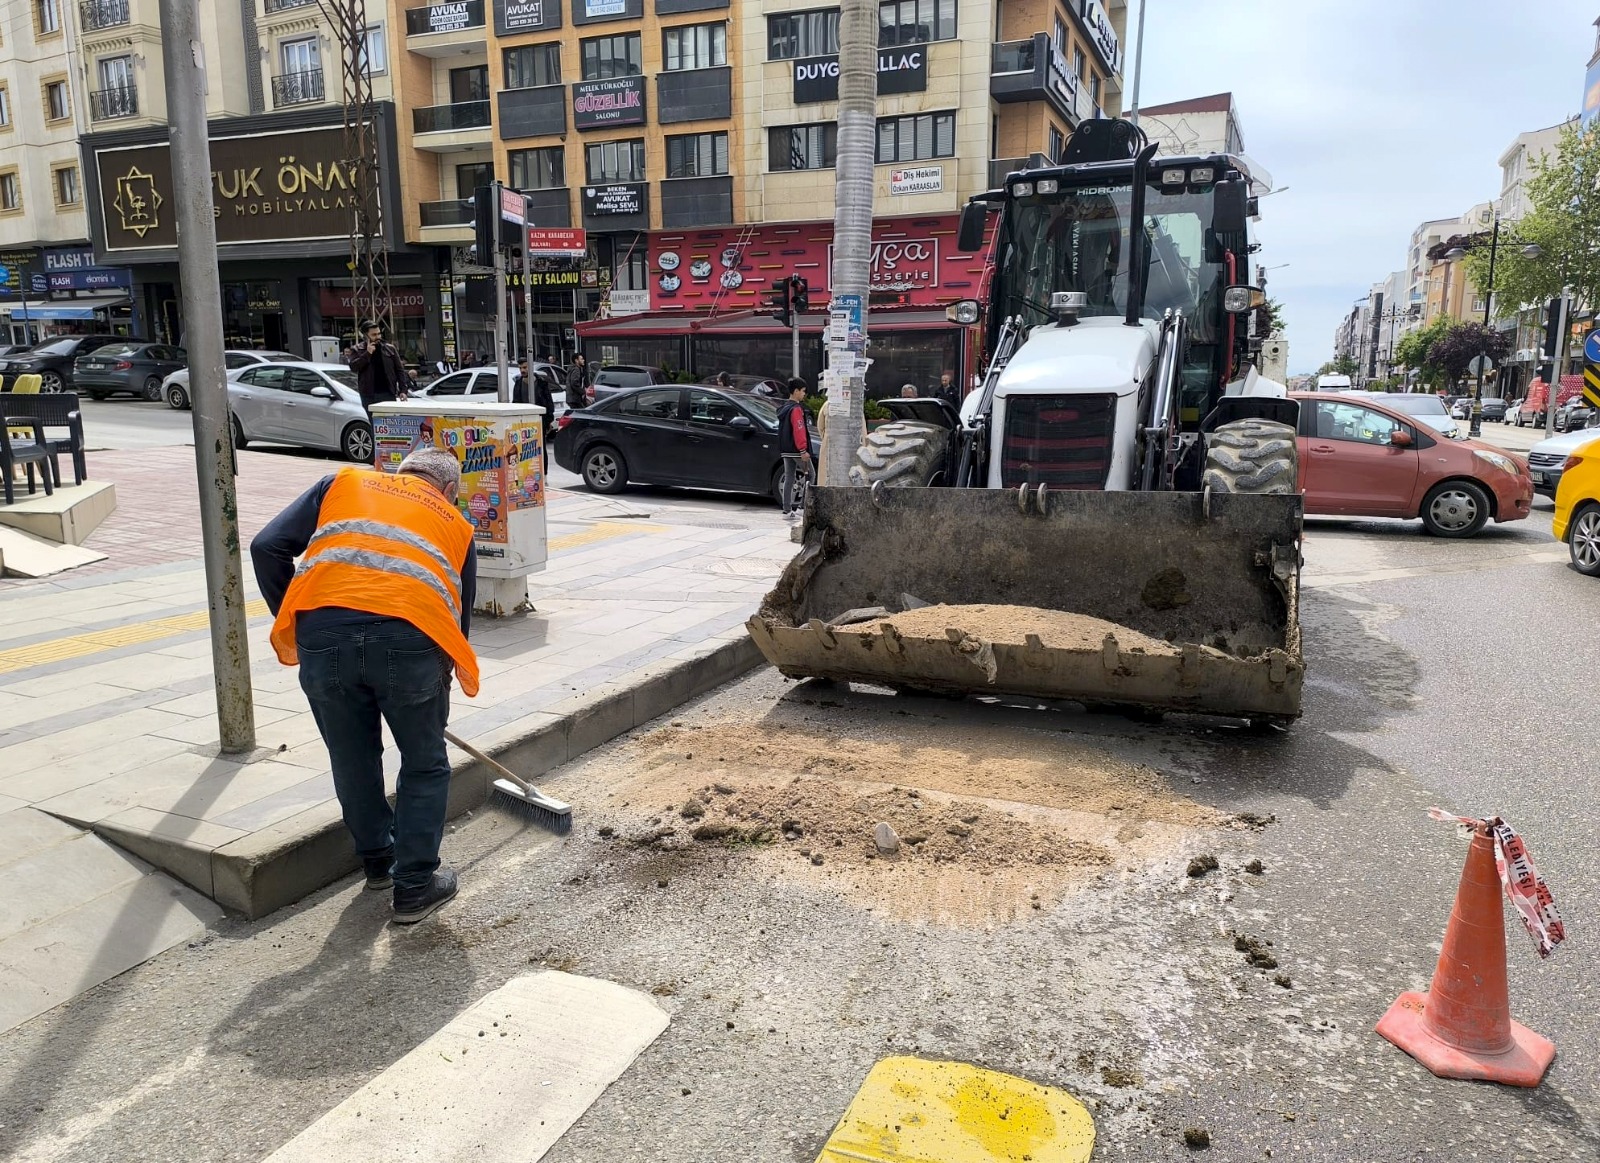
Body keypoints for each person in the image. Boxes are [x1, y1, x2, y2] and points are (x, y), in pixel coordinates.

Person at [251, 447, 479, 925]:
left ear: (397, 476)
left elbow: (265, 547)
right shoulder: (455, 523)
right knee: (424, 762)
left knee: (352, 756)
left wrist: (300, 621)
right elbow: (458, 617)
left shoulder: (344, 483)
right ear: (450, 491)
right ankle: (414, 887)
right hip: (410, 642)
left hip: (323, 638)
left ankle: (377, 862)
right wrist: (438, 682)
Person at [347, 321, 411, 415]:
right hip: (369, 395)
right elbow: (353, 367)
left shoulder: (389, 348)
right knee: (374, 424)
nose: (378, 337)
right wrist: (367, 354)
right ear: (365, 336)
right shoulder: (357, 349)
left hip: (388, 393)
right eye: (374, 335)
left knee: (390, 423)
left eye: (379, 334)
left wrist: (403, 390)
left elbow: (399, 370)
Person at [778, 377, 813, 522]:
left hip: (786, 450)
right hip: (797, 450)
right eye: (803, 391)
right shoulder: (796, 409)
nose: (804, 394)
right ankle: (801, 508)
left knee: (789, 477)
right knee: (811, 475)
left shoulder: (784, 409)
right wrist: (803, 450)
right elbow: (799, 430)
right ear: (796, 391)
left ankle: (787, 510)